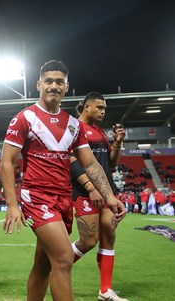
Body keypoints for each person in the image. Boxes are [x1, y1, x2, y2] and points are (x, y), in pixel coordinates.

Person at [0, 60, 125, 301]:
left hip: (64, 199)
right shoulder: (24, 118)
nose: (54, 86)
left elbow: (90, 163)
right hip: (37, 197)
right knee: (64, 259)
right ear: (39, 84)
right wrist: (12, 205)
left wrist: (110, 196)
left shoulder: (73, 125)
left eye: (59, 82)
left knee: (43, 264)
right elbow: (7, 162)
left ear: (66, 87)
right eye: (48, 81)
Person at [69, 92, 128, 301]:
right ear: (86, 107)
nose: (103, 112)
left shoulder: (99, 132)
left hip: (107, 191)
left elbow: (110, 164)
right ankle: (55, 267)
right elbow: (71, 160)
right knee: (88, 241)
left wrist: (118, 143)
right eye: (99, 107)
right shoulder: (74, 128)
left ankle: (105, 291)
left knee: (108, 237)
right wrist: (91, 187)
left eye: (105, 108)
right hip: (85, 192)